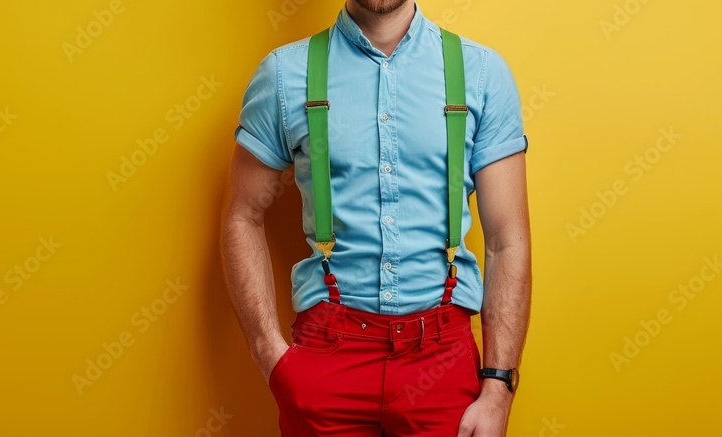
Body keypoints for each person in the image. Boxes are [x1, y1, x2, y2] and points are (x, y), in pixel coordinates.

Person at [219, 1, 531, 436]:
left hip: (443, 362)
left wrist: (498, 388)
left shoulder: (480, 73)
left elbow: (506, 240)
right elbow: (242, 215)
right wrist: (271, 355)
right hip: (326, 358)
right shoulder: (284, 76)